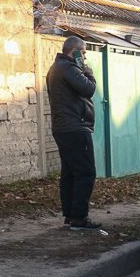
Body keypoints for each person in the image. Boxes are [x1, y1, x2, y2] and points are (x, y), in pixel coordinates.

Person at [46, 36, 101, 230]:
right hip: (75, 127)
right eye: (83, 53)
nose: (85, 57)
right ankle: (79, 218)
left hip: (62, 127)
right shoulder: (69, 69)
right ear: (75, 51)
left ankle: (70, 215)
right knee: (86, 172)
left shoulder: (55, 68)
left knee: (69, 173)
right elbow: (89, 89)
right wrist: (88, 72)